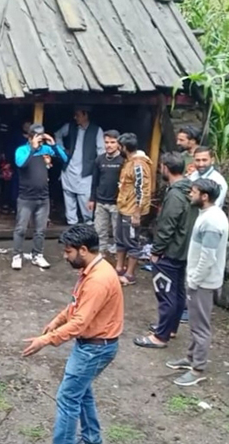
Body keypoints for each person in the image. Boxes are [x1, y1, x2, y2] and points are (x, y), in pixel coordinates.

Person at [22, 225, 123, 444]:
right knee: (81, 391)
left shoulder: (98, 280)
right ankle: (91, 439)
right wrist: (57, 320)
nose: (65, 256)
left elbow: (79, 322)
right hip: (95, 345)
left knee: (68, 398)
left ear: (83, 250)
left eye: (68, 252)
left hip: (94, 348)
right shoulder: (93, 270)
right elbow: (76, 306)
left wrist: (46, 340)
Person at [166, 179, 228, 387]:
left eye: (193, 192)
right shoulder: (209, 215)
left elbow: (208, 257)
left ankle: (198, 368)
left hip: (202, 283)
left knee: (200, 326)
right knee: (194, 321)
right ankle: (191, 358)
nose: (190, 195)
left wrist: (194, 280)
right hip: (200, 280)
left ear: (204, 196)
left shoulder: (212, 222)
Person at [133, 153, 197, 349]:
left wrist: (156, 250)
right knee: (177, 293)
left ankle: (160, 337)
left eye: (161, 166)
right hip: (184, 251)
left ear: (166, 168)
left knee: (165, 293)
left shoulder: (176, 195)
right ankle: (170, 328)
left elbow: (167, 226)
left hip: (170, 252)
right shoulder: (189, 190)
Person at [11, 124, 68, 270]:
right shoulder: (22, 150)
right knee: (21, 229)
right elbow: (21, 164)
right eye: (37, 138)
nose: (40, 142)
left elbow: (64, 159)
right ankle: (17, 255)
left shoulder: (46, 149)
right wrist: (33, 149)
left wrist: (53, 144)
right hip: (26, 197)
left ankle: (38, 254)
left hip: (43, 197)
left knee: (41, 230)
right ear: (30, 137)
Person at [55, 106, 105, 225]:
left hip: (86, 172)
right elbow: (57, 134)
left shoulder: (96, 130)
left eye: (78, 115)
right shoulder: (71, 127)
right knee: (69, 198)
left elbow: (101, 151)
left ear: (85, 115)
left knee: (85, 200)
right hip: (69, 169)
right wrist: (62, 149)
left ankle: (88, 223)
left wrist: (99, 168)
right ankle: (71, 223)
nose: (75, 117)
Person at [114, 133, 152, 286]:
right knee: (120, 240)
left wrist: (137, 213)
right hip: (124, 207)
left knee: (131, 242)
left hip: (132, 210)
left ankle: (129, 274)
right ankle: (119, 268)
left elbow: (141, 190)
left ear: (124, 148)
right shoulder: (129, 161)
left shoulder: (139, 165)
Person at [87, 130, 124, 255]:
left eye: (112, 142)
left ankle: (119, 259)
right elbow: (94, 181)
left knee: (117, 232)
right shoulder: (99, 159)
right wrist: (92, 199)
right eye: (106, 142)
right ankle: (101, 254)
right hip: (101, 202)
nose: (109, 145)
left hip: (117, 203)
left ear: (118, 143)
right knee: (100, 231)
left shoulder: (123, 160)